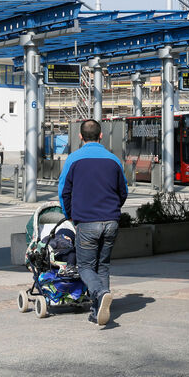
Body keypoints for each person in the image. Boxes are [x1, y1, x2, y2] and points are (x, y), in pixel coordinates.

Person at [59, 119, 128, 327]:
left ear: (80, 137)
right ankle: (99, 310)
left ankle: (100, 293)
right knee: (103, 265)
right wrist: (113, 210)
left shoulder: (73, 159)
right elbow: (123, 191)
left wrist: (69, 215)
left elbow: (64, 192)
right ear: (101, 136)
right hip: (111, 220)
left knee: (86, 266)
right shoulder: (113, 160)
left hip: (87, 221)